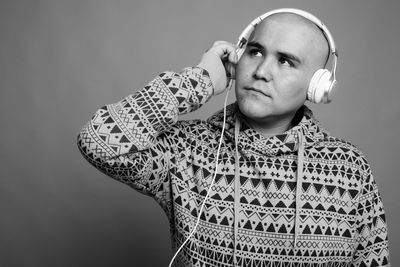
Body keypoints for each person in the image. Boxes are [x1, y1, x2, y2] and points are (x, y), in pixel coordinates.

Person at [77, 8, 390, 266]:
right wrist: (198, 80)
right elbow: (98, 141)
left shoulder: (349, 169)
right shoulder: (190, 149)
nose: (261, 71)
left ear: (316, 86)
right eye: (255, 52)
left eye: (284, 60)